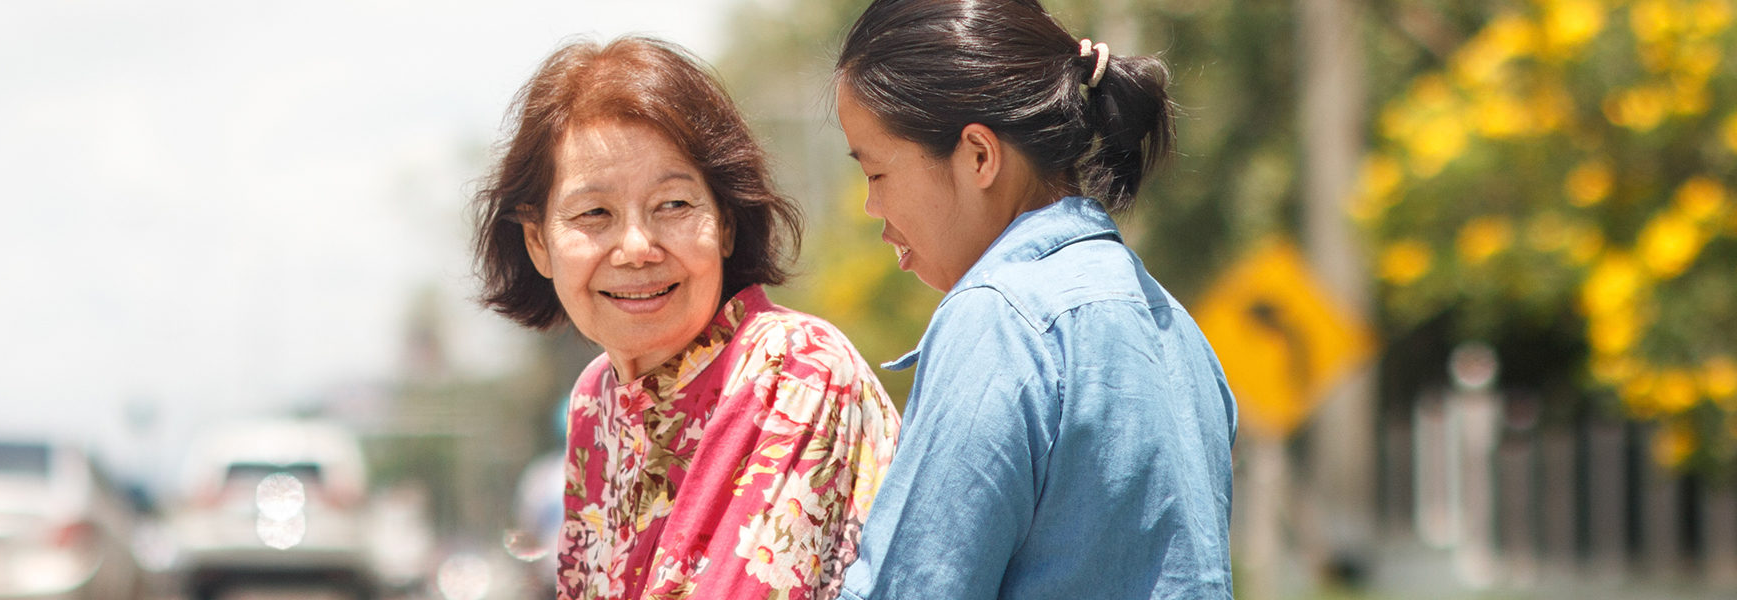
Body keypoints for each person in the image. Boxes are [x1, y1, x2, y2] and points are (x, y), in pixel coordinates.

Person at [828, 1, 1237, 598]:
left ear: (978, 156)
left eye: (876, 174)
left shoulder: (999, 319)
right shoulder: (1175, 326)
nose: (872, 208)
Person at [474, 35, 901, 600]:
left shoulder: (796, 367)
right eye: (593, 213)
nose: (636, 247)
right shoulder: (593, 403)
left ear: (725, 222)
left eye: (673, 205)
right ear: (538, 242)